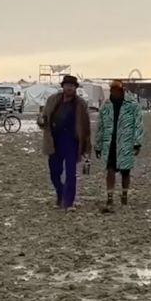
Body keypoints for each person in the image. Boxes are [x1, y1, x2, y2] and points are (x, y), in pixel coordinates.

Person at [37, 74, 91, 210]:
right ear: (63, 86)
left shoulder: (80, 104)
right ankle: (60, 194)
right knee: (54, 172)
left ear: (75, 88)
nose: (69, 88)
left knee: (71, 173)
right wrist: (41, 121)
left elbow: (86, 126)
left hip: (72, 141)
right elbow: (43, 117)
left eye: (72, 86)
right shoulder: (53, 100)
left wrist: (86, 146)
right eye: (67, 85)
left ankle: (69, 202)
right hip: (54, 139)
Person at [95, 80, 144, 212]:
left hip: (126, 142)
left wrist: (137, 142)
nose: (114, 92)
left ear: (122, 90)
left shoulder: (132, 105)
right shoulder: (106, 106)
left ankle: (124, 195)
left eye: (117, 89)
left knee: (125, 171)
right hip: (109, 141)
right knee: (110, 169)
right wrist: (98, 145)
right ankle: (109, 197)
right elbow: (100, 126)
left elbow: (138, 124)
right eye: (112, 89)